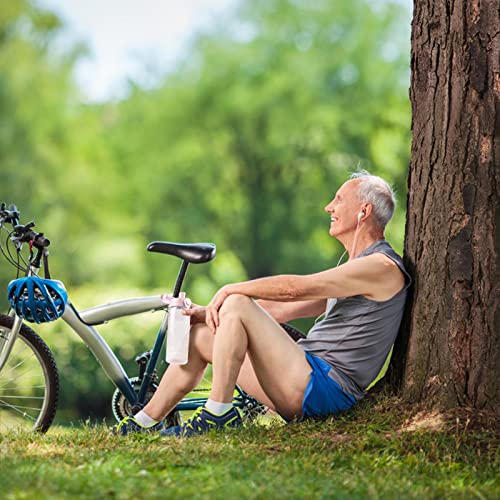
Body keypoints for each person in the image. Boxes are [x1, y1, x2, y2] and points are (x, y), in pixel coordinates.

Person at [114, 170, 411, 436]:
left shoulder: (380, 267)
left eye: (338, 199)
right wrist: (208, 313)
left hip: (324, 389)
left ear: (363, 211)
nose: (329, 207)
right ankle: (143, 422)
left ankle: (218, 413)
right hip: (301, 379)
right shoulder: (355, 270)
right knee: (201, 336)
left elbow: (295, 289)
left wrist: (232, 291)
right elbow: (277, 310)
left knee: (239, 302)